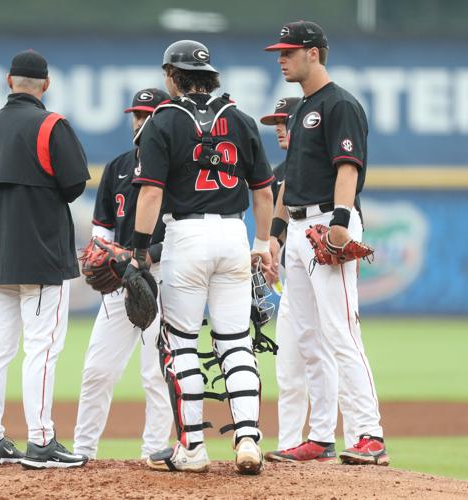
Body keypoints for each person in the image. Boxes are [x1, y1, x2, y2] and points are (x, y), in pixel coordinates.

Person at [128, 40, 275, 474]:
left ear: (173, 76)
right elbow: (263, 190)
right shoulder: (241, 118)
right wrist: (263, 244)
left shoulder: (163, 120)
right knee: (235, 342)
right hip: (234, 233)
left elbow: (152, 191)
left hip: (186, 236)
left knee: (182, 344)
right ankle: (248, 438)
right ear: (210, 76)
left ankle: (192, 448)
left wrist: (138, 250)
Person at [264, 21, 388, 465]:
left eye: (288, 51)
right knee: (308, 337)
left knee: (340, 331)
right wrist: (275, 236)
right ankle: (319, 437)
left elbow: (347, 167)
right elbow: (288, 181)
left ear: (313, 53)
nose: (281, 58)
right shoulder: (300, 109)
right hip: (297, 226)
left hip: (326, 223)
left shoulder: (340, 104)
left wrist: (340, 221)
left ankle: (369, 434)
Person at [0, 50, 90, 469]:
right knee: (42, 348)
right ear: (46, 84)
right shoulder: (51, 124)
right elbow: (75, 184)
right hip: (41, 255)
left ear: (8, 81)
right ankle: (41, 442)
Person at [73, 88, 173, 460]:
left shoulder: (177, 171)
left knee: (156, 372)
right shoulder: (117, 167)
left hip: (161, 277)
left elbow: (182, 236)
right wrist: (104, 259)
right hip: (119, 283)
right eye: (137, 114)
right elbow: (101, 231)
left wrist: (142, 259)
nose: (140, 121)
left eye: (149, 115)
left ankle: (155, 450)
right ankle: (83, 450)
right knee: (97, 369)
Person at [260, 97, 358, 458]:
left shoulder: (319, 167)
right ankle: (291, 442)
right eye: (277, 124)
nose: (281, 129)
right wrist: (270, 250)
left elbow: (348, 206)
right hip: (292, 279)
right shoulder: (279, 172)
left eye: (285, 121)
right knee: (288, 369)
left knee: (330, 344)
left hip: (322, 262)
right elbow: (278, 226)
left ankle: (336, 435)